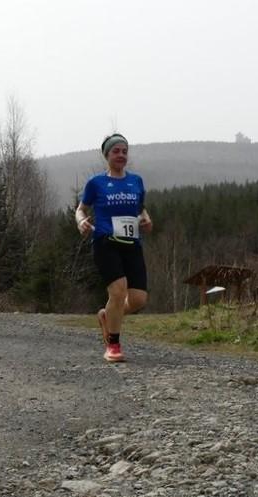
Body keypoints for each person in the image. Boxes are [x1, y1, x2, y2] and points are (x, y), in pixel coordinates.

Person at [75, 133, 152, 362]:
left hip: (132, 243)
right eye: (116, 151)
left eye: (124, 151)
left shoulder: (136, 181)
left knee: (138, 299)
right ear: (107, 155)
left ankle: (107, 316)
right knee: (118, 291)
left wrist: (146, 219)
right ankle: (113, 345)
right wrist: (81, 221)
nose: (121, 155)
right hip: (105, 242)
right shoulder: (96, 183)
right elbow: (81, 209)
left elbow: (141, 208)